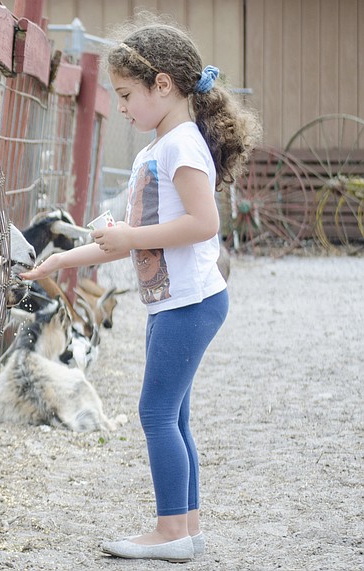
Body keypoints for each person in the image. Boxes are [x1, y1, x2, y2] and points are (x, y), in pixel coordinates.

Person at [20, 18, 261, 563]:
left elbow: (204, 223)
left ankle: (171, 531)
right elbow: (123, 244)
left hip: (190, 302)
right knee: (172, 415)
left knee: (156, 414)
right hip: (173, 302)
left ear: (163, 84)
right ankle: (186, 528)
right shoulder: (156, 150)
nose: (122, 107)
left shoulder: (181, 148)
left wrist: (128, 234)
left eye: (127, 95)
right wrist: (62, 259)